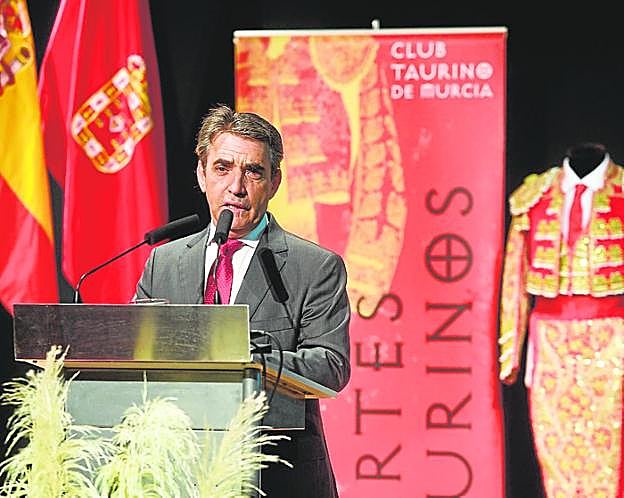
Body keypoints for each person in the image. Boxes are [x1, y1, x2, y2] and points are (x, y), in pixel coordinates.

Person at [134, 103, 351, 498]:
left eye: (253, 171)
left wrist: (248, 359)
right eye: (222, 168)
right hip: (177, 474)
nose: (236, 186)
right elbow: (135, 356)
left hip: (278, 476)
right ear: (201, 175)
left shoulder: (315, 266)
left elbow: (330, 365)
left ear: (274, 182)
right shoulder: (163, 263)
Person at [498, 142, 624, 497]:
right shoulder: (535, 196)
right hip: (550, 344)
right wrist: (511, 353)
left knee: (610, 449)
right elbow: (514, 280)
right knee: (555, 447)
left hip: (613, 339)